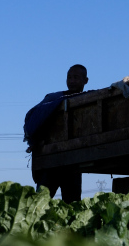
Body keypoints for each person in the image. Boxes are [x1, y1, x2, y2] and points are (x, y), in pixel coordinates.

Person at [24, 64, 89, 202]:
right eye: (69, 77)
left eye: (76, 77)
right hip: (52, 161)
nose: (71, 81)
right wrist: (36, 140)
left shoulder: (88, 101)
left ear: (86, 80)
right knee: (39, 204)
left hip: (73, 163)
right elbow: (36, 119)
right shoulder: (54, 99)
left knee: (72, 206)